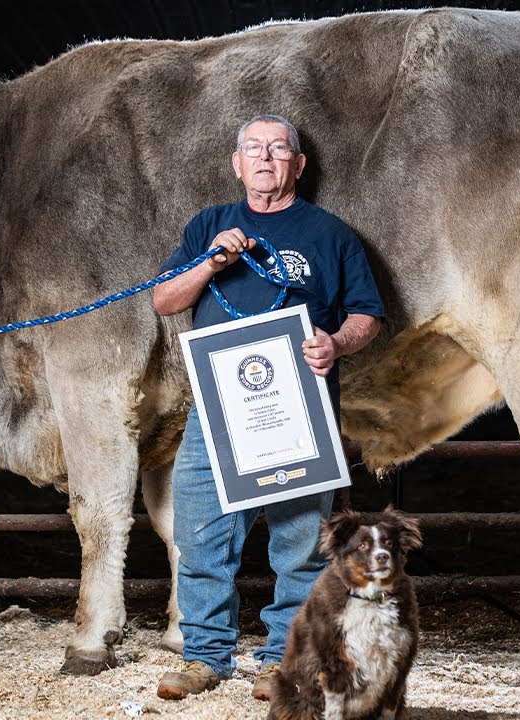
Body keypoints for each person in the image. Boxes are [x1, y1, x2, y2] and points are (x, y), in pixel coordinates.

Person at [152, 115, 385, 701]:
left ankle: (283, 660)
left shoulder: (331, 234)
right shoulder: (210, 225)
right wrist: (209, 262)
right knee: (201, 531)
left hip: (301, 409)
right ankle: (205, 657)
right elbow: (164, 300)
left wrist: (336, 342)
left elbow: (368, 316)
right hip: (217, 409)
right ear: (237, 164)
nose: (265, 157)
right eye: (253, 149)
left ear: (297, 165)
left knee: (300, 541)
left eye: (278, 149)